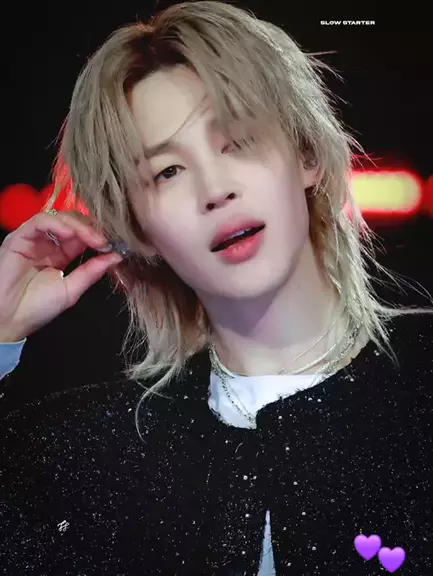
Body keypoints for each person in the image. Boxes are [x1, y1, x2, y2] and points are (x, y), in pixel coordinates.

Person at [0, 2, 432, 574]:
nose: (214, 190)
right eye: (167, 172)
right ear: (137, 228)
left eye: (236, 141)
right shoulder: (84, 461)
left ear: (306, 154)